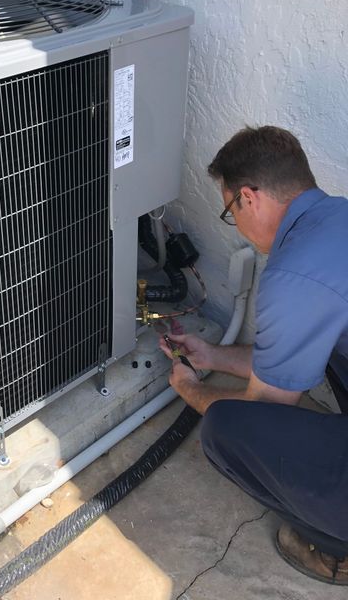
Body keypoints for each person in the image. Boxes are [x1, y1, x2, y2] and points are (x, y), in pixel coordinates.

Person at [160, 125, 348, 585]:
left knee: (227, 428)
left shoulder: (293, 278)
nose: (236, 222)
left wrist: (192, 390)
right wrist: (214, 356)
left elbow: (265, 409)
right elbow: (284, 358)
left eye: (229, 211)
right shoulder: (337, 220)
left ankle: (339, 552)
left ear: (249, 197)